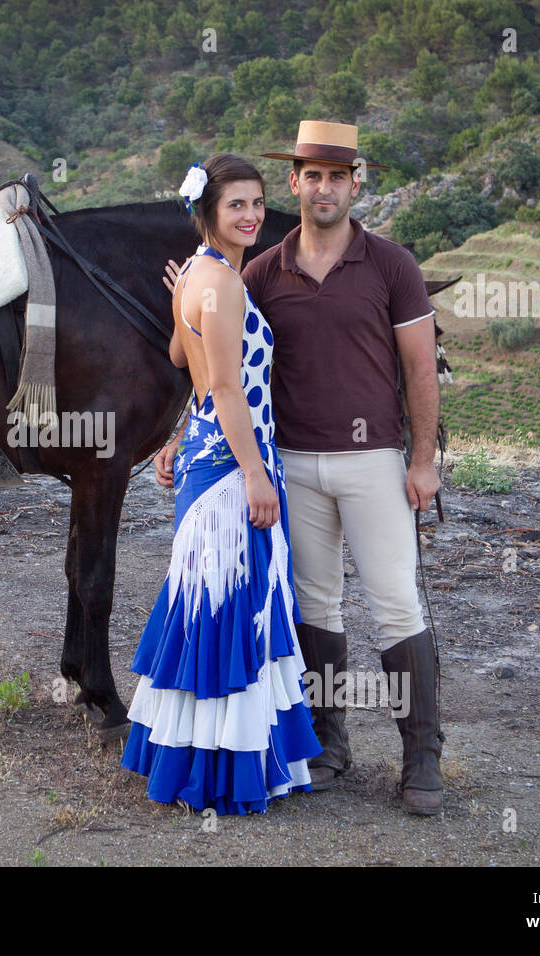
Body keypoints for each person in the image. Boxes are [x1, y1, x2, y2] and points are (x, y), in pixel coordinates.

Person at [155, 121, 445, 816]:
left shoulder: (392, 265)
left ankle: (422, 757)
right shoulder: (258, 270)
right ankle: (327, 741)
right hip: (289, 463)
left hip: (373, 458)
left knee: (396, 602)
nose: (323, 186)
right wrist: (178, 435)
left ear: (354, 183)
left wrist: (425, 459)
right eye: (310, 175)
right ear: (296, 182)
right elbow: (222, 369)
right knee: (312, 605)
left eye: (336, 175)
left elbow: (420, 369)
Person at [121, 153, 321, 815]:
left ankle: (194, 757)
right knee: (235, 606)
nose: (253, 215)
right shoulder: (225, 284)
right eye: (237, 205)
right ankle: (223, 771)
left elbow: (186, 358)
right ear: (208, 211)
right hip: (235, 463)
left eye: (258, 203)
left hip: (207, 453)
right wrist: (258, 476)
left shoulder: (201, 277)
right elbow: (228, 387)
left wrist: (187, 300)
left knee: (210, 604)